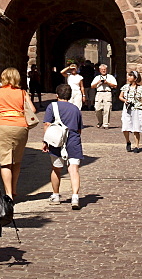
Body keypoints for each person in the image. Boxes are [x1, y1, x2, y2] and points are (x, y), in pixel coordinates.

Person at [0, 68, 29, 200]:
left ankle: (8, 193)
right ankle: (14, 188)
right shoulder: (22, 93)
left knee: (5, 162)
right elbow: (32, 109)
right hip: (20, 126)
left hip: (1, 126)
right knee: (16, 161)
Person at [43, 82, 83, 210]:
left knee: (56, 168)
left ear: (57, 95)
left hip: (56, 141)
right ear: (70, 96)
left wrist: (45, 141)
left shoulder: (52, 106)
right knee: (74, 169)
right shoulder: (75, 109)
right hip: (73, 140)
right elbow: (78, 129)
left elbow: (47, 125)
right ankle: (75, 196)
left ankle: (55, 195)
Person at [119, 70, 142, 150]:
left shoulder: (140, 88)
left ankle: (136, 145)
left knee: (136, 127)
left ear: (135, 78)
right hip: (127, 109)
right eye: (128, 76)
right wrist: (125, 100)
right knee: (125, 127)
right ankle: (128, 141)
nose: (128, 77)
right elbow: (120, 96)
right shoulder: (125, 87)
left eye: (130, 76)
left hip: (137, 109)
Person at [91, 64, 117, 129]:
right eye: (102, 69)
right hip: (99, 93)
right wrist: (98, 82)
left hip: (107, 93)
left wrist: (107, 83)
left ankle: (106, 124)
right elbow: (92, 86)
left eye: (104, 69)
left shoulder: (110, 77)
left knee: (107, 109)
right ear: (100, 70)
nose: (103, 71)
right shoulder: (97, 78)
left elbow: (115, 85)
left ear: (106, 70)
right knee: (97, 109)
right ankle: (100, 121)